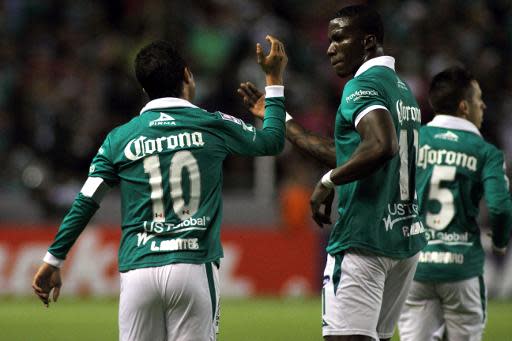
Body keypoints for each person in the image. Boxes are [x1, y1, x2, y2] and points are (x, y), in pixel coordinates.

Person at [32, 36, 288, 341]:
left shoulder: (120, 138)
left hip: (139, 269)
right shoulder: (213, 124)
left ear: (144, 90)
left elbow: (86, 201)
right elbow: (273, 140)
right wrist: (273, 81)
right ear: (187, 75)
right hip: (192, 265)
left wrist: (53, 260)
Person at [238, 4, 426, 341]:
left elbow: (381, 146)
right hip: (402, 241)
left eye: (339, 38)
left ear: (368, 41)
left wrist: (328, 181)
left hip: (363, 240)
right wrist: (276, 111)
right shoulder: (402, 90)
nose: (329, 48)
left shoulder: (361, 86)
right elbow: (347, 153)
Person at [397, 66, 512, 341]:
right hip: (462, 267)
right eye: (478, 98)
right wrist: (499, 241)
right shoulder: (486, 152)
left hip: (415, 266)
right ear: (463, 107)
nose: (483, 105)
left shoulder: (411, 141)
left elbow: (394, 196)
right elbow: (500, 206)